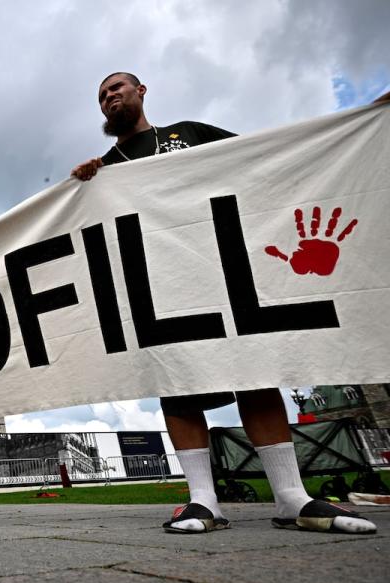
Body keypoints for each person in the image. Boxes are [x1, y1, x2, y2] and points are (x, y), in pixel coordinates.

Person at [71, 72, 375, 535]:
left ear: (142, 91)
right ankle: (202, 501)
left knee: (253, 370)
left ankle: (292, 497)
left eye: (116, 88)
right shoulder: (107, 168)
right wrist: (84, 186)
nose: (109, 97)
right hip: (160, 284)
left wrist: (360, 120)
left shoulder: (188, 134)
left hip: (223, 269)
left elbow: (264, 156)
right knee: (178, 383)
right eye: (101, 95)